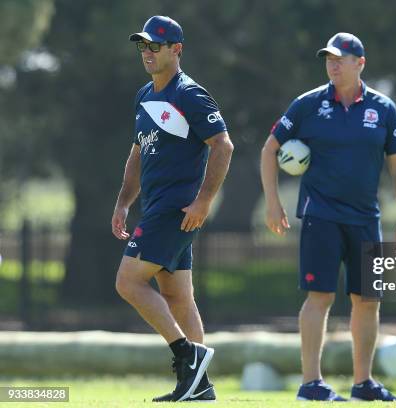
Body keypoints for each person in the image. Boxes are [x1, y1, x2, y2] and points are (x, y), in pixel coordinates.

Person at [261, 32, 396, 402]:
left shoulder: (383, 108)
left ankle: (363, 383)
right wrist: (272, 202)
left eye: (340, 58)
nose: (332, 64)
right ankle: (311, 384)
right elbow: (270, 150)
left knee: (368, 300)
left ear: (360, 64)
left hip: (366, 218)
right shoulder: (307, 105)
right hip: (321, 215)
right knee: (321, 296)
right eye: (328, 58)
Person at [111, 16, 233, 402]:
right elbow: (137, 153)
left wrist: (204, 201)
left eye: (155, 46)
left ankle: (186, 355)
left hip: (175, 210)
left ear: (176, 49)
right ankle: (200, 386)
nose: (147, 52)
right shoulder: (145, 94)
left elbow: (223, 146)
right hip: (156, 208)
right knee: (178, 297)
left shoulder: (190, 95)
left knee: (127, 282)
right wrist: (123, 202)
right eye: (143, 46)